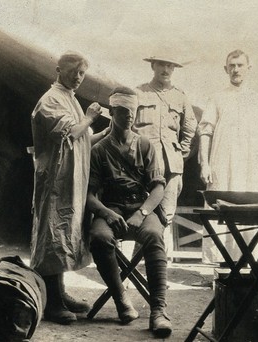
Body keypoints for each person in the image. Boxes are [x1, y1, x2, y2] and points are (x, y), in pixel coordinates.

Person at [86, 87, 172, 337]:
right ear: (112, 112)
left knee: (155, 237)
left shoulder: (146, 146)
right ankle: (121, 299)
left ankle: (158, 311)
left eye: (133, 111)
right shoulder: (99, 150)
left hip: (139, 207)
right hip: (111, 207)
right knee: (100, 238)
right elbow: (89, 196)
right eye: (123, 111)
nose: (129, 116)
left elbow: (158, 189)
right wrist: (107, 213)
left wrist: (143, 213)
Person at [30, 51, 108, 324]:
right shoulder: (50, 100)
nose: (78, 77)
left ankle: (60, 293)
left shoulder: (69, 99)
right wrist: (90, 117)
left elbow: (83, 141)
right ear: (58, 69)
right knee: (53, 237)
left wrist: (107, 132)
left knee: (65, 237)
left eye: (82, 73)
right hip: (55, 182)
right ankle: (52, 302)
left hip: (70, 183)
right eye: (73, 71)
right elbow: (73, 132)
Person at [197, 49, 258, 263]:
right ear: (225, 69)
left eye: (240, 65)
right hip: (222, 165)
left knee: (249, 213)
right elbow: (205, 132)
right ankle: (216, 266)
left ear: (248, 69)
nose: (236, 69)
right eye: (231, 65)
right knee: (218, 211)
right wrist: (205, 164)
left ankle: (249, 263)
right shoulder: (217, 98)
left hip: (250, 168)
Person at [133, 55, 197, 253]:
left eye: (171, 65)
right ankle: (127, 270)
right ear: (153, 65)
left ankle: (161, 270)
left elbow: (190, 126)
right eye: (162, 64)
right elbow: (125, 125)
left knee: (166, 216)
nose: (166, 69)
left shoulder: (180, 96)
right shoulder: (138, 93)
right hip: (141, 165)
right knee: (136, 210)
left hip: (171, 166)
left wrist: (181, 151)